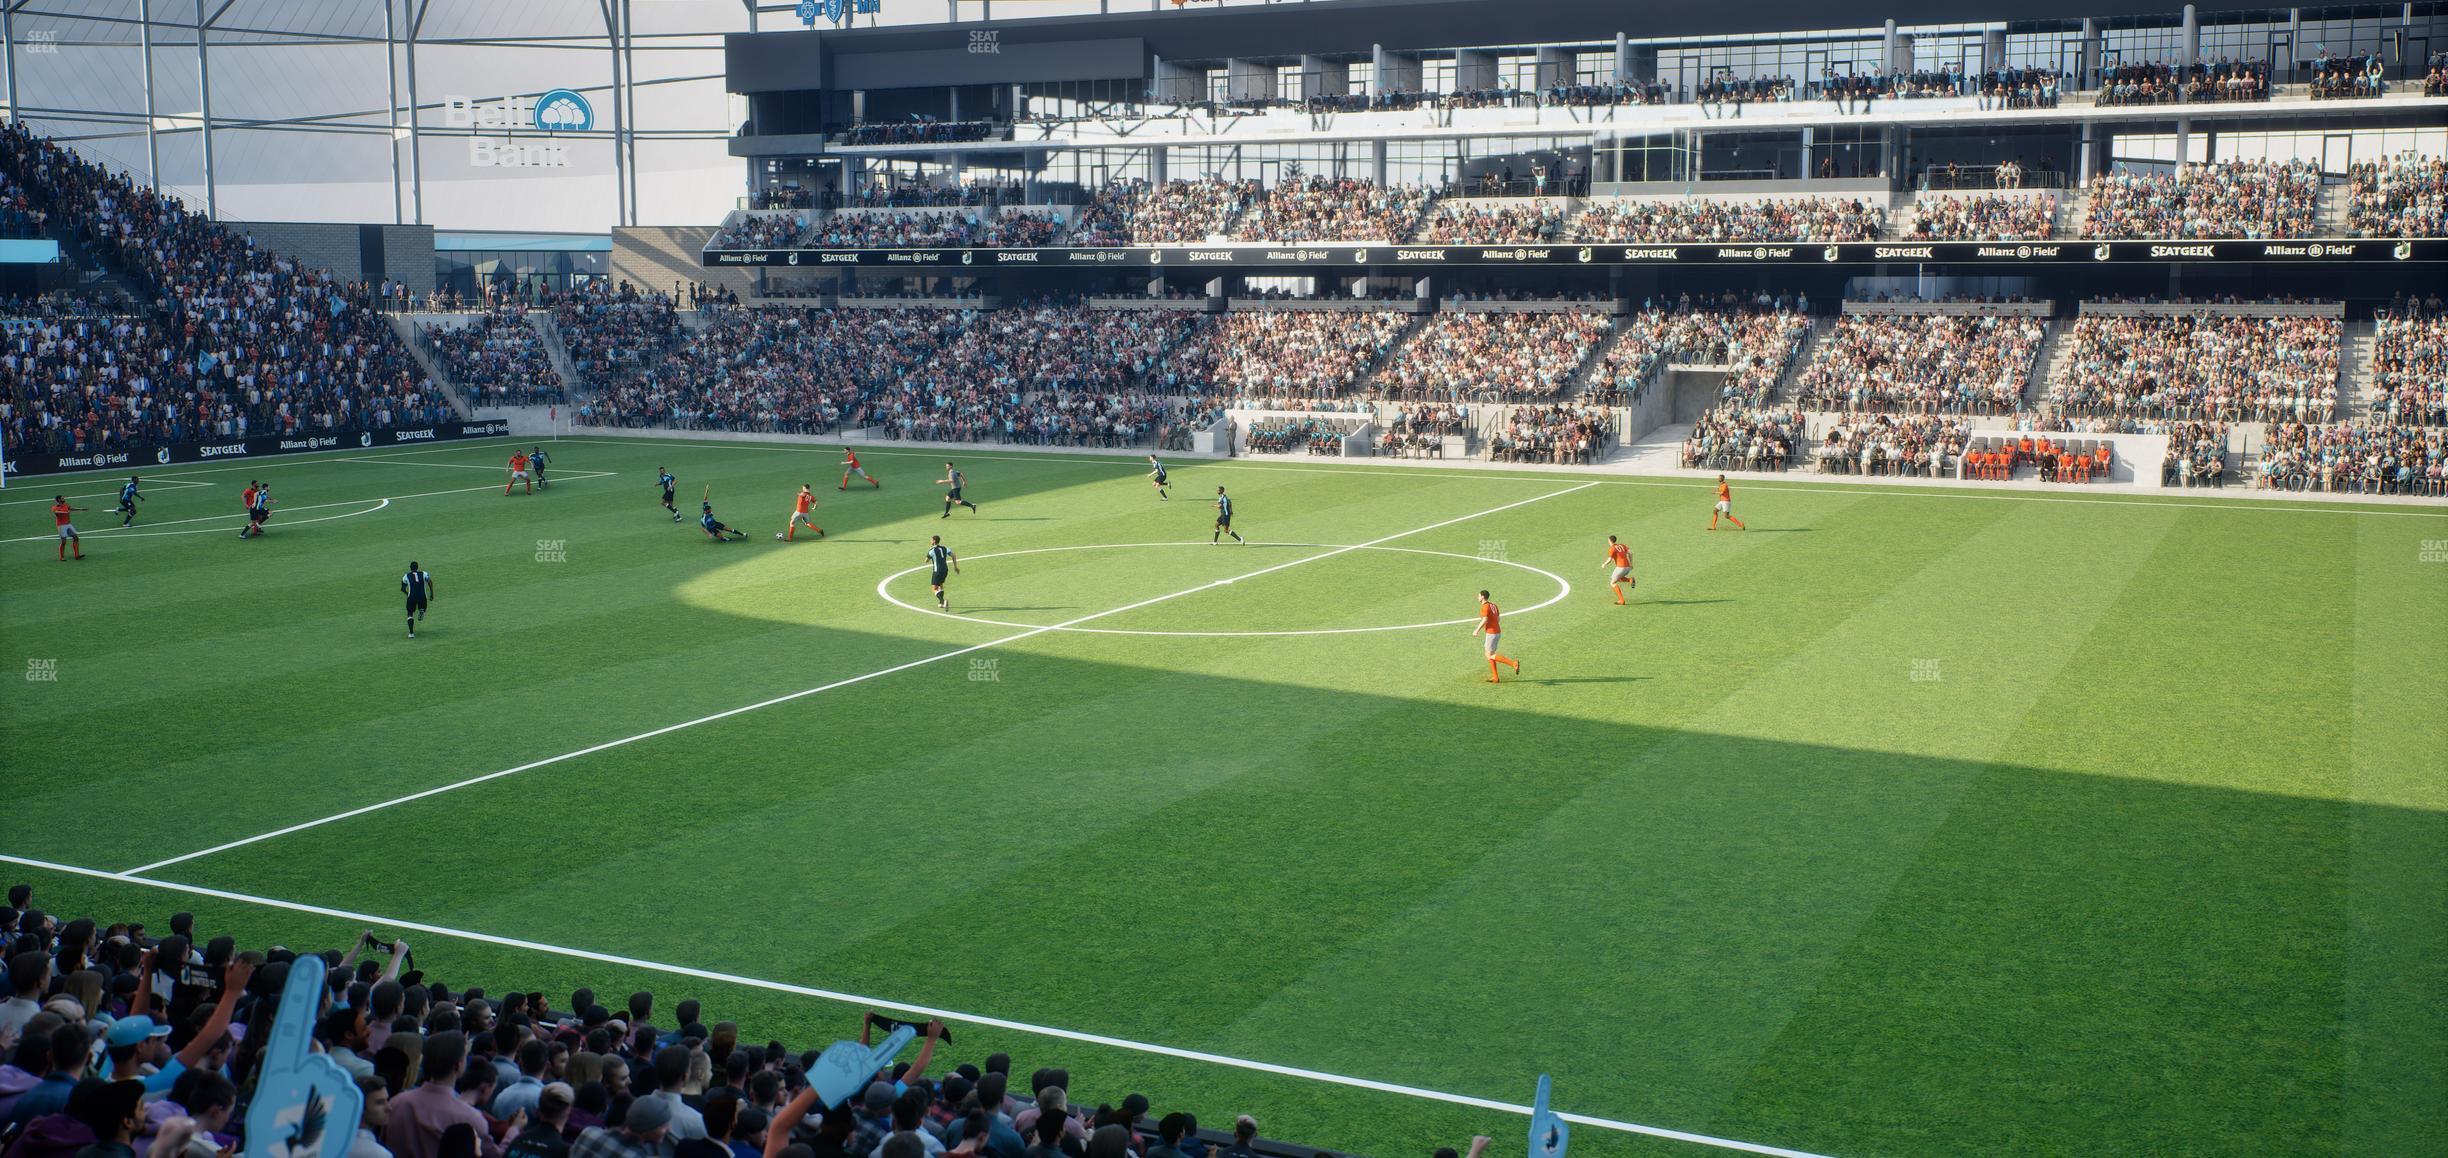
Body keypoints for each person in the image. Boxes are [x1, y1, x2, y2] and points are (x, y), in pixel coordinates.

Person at [1473, 589, 1520, 684]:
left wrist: (1476, 630)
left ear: (1482, 597)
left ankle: (1513, 664)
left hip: (1491, 633)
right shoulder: (1494, 605)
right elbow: (1498, 619)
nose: (1477, 597)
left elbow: (1485, 619)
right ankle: (1495, 677)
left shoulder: (1485, 607)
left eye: (1478, 596)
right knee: (1490, 654)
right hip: (1497, 632)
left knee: (1489, 655)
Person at [403, 563, 435, 639]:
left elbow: (403, 588)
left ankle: (411, 633)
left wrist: (407, 593)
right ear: (418, 567)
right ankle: (422, 610)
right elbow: (429, 581)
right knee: (423, 607)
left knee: (410, 613)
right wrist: (432, 593)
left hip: (412, 596)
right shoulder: (424, 573)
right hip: (422, 596)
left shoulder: (406, 576)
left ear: (410, 568)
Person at [925, 537, 958, 612]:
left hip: (937, 571)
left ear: (934, 541)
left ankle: (943, 601)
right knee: (940, 585)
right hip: (945, 570)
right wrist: (955, 567)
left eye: (931, 539)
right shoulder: (945, 548)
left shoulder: (931, 550)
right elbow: (953, 555)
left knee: (934, 588)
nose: (930, 541)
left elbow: (926, 560)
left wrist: (928, 558)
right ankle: (941, 603)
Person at [48, 497, 83, 562]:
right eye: (62, 498)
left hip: (68, 524)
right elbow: (56, 512)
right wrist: (66, 512)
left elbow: (71, 508)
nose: (64, 499)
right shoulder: (55, 507)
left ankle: (77, 555)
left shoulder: (66, 505)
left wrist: (80, 509)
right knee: (63, 542)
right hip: (61, 526)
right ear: (58, 500)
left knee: (76, 538)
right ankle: (61, 557)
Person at [1603, 535, 1634, 606]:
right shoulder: (1622, 545)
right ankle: (1630, 580)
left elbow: (1609, 560)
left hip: (1621, 568)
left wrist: (1604, 564)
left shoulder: (1612, 549)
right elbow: (1630, 553)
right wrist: (1631, 563)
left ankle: (1622, 600)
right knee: (1617, 578)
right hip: (1628, 567)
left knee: (1612, 583)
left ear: (1609, 541)